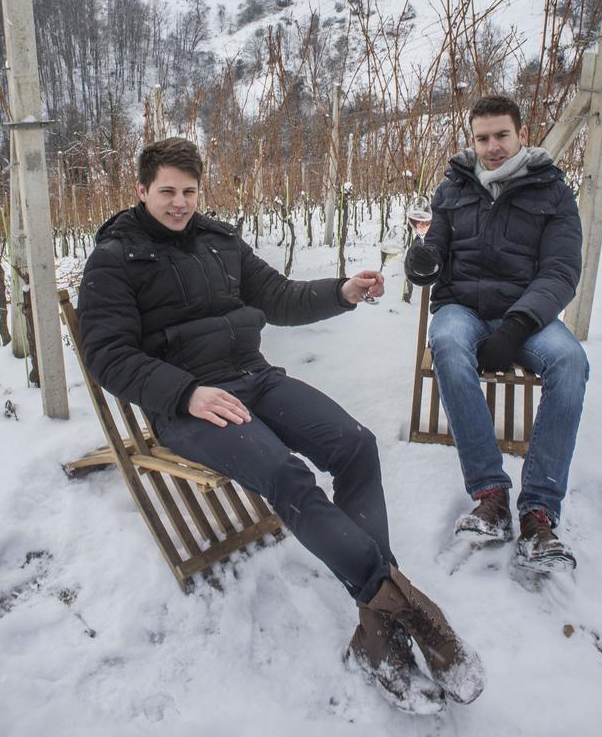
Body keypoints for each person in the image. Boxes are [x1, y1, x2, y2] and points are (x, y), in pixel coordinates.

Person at [78, 137, 484, 712]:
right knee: (286, 475)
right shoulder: (114, 260)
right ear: (141, 190)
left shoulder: (220, 240)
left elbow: (279, 297)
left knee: (355, 445)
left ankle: (378, 625)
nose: (179, 203)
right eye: (166, 191)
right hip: (191, 402)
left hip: (255, 376)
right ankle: (405, 607)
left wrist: (342, 292)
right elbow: (107, 356)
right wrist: (186, 392)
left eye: (189, 191)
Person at [405, 96, 589, 573]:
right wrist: (423, 263)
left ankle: (538, 512)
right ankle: (490, 495)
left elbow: (562, 270)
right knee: (445, 343)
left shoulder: (552, 192)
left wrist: (517, 326)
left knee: (571, 363)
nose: (492, 147)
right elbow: (435, 251)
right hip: (462, 308)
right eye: (482, 137)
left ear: (521, 134)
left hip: (525, 315)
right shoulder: (453, 188)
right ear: (473, 139)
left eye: (501, 135)